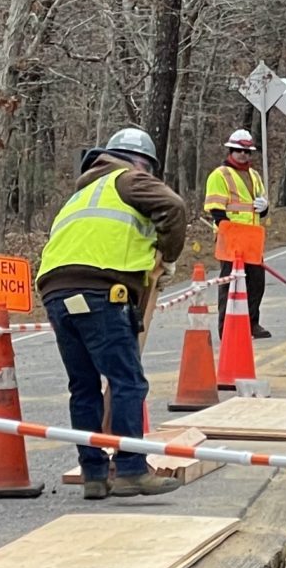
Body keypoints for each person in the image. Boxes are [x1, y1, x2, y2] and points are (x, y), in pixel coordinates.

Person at [38, 126, 191, 498]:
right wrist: (167, 257)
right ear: (139, 162)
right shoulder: (126, 178)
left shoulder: (78, 197)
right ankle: (130, 469)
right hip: (99, 291)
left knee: (84, 385)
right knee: (127, 382)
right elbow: (174, 207)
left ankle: (93, 474)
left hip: (56, 292)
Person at [202, 127, 273, 338]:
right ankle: (226, 328)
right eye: (238, 150)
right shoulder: (220, 175)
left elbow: (261, 205)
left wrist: (265, 207)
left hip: (252, 236)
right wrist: (227, 233)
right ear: (230, 151)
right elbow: (216, 209)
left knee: (256, 282)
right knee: (229, 283)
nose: (243, 154)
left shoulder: (254, 175)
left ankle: (252, 323)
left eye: (247, 151)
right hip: (231, 236)